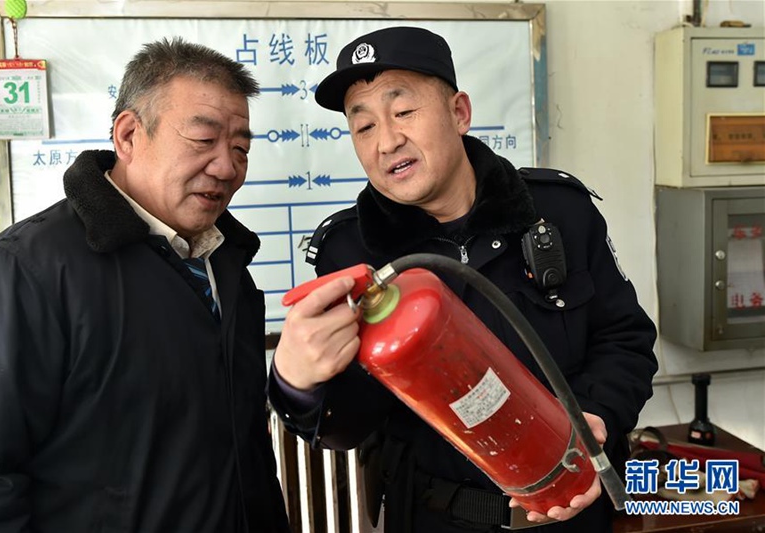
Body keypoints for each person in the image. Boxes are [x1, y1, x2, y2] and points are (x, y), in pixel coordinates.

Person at [268, 26, 658, 532]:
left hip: (576, 509)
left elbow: (625, 340)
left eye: (403, 112)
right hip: (436, 516)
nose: (387, 141)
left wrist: (593, 417)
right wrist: (298, 385)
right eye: (363, 127)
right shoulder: (349, 254)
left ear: (459, 113)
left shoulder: (559, 212)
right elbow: (347, 423)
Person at [0, 37, 290, 532]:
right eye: (203, 141)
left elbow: (243, 445)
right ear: (129, 134)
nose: (227, 167)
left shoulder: (225, 264)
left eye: (240, 148)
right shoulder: (26, 270)